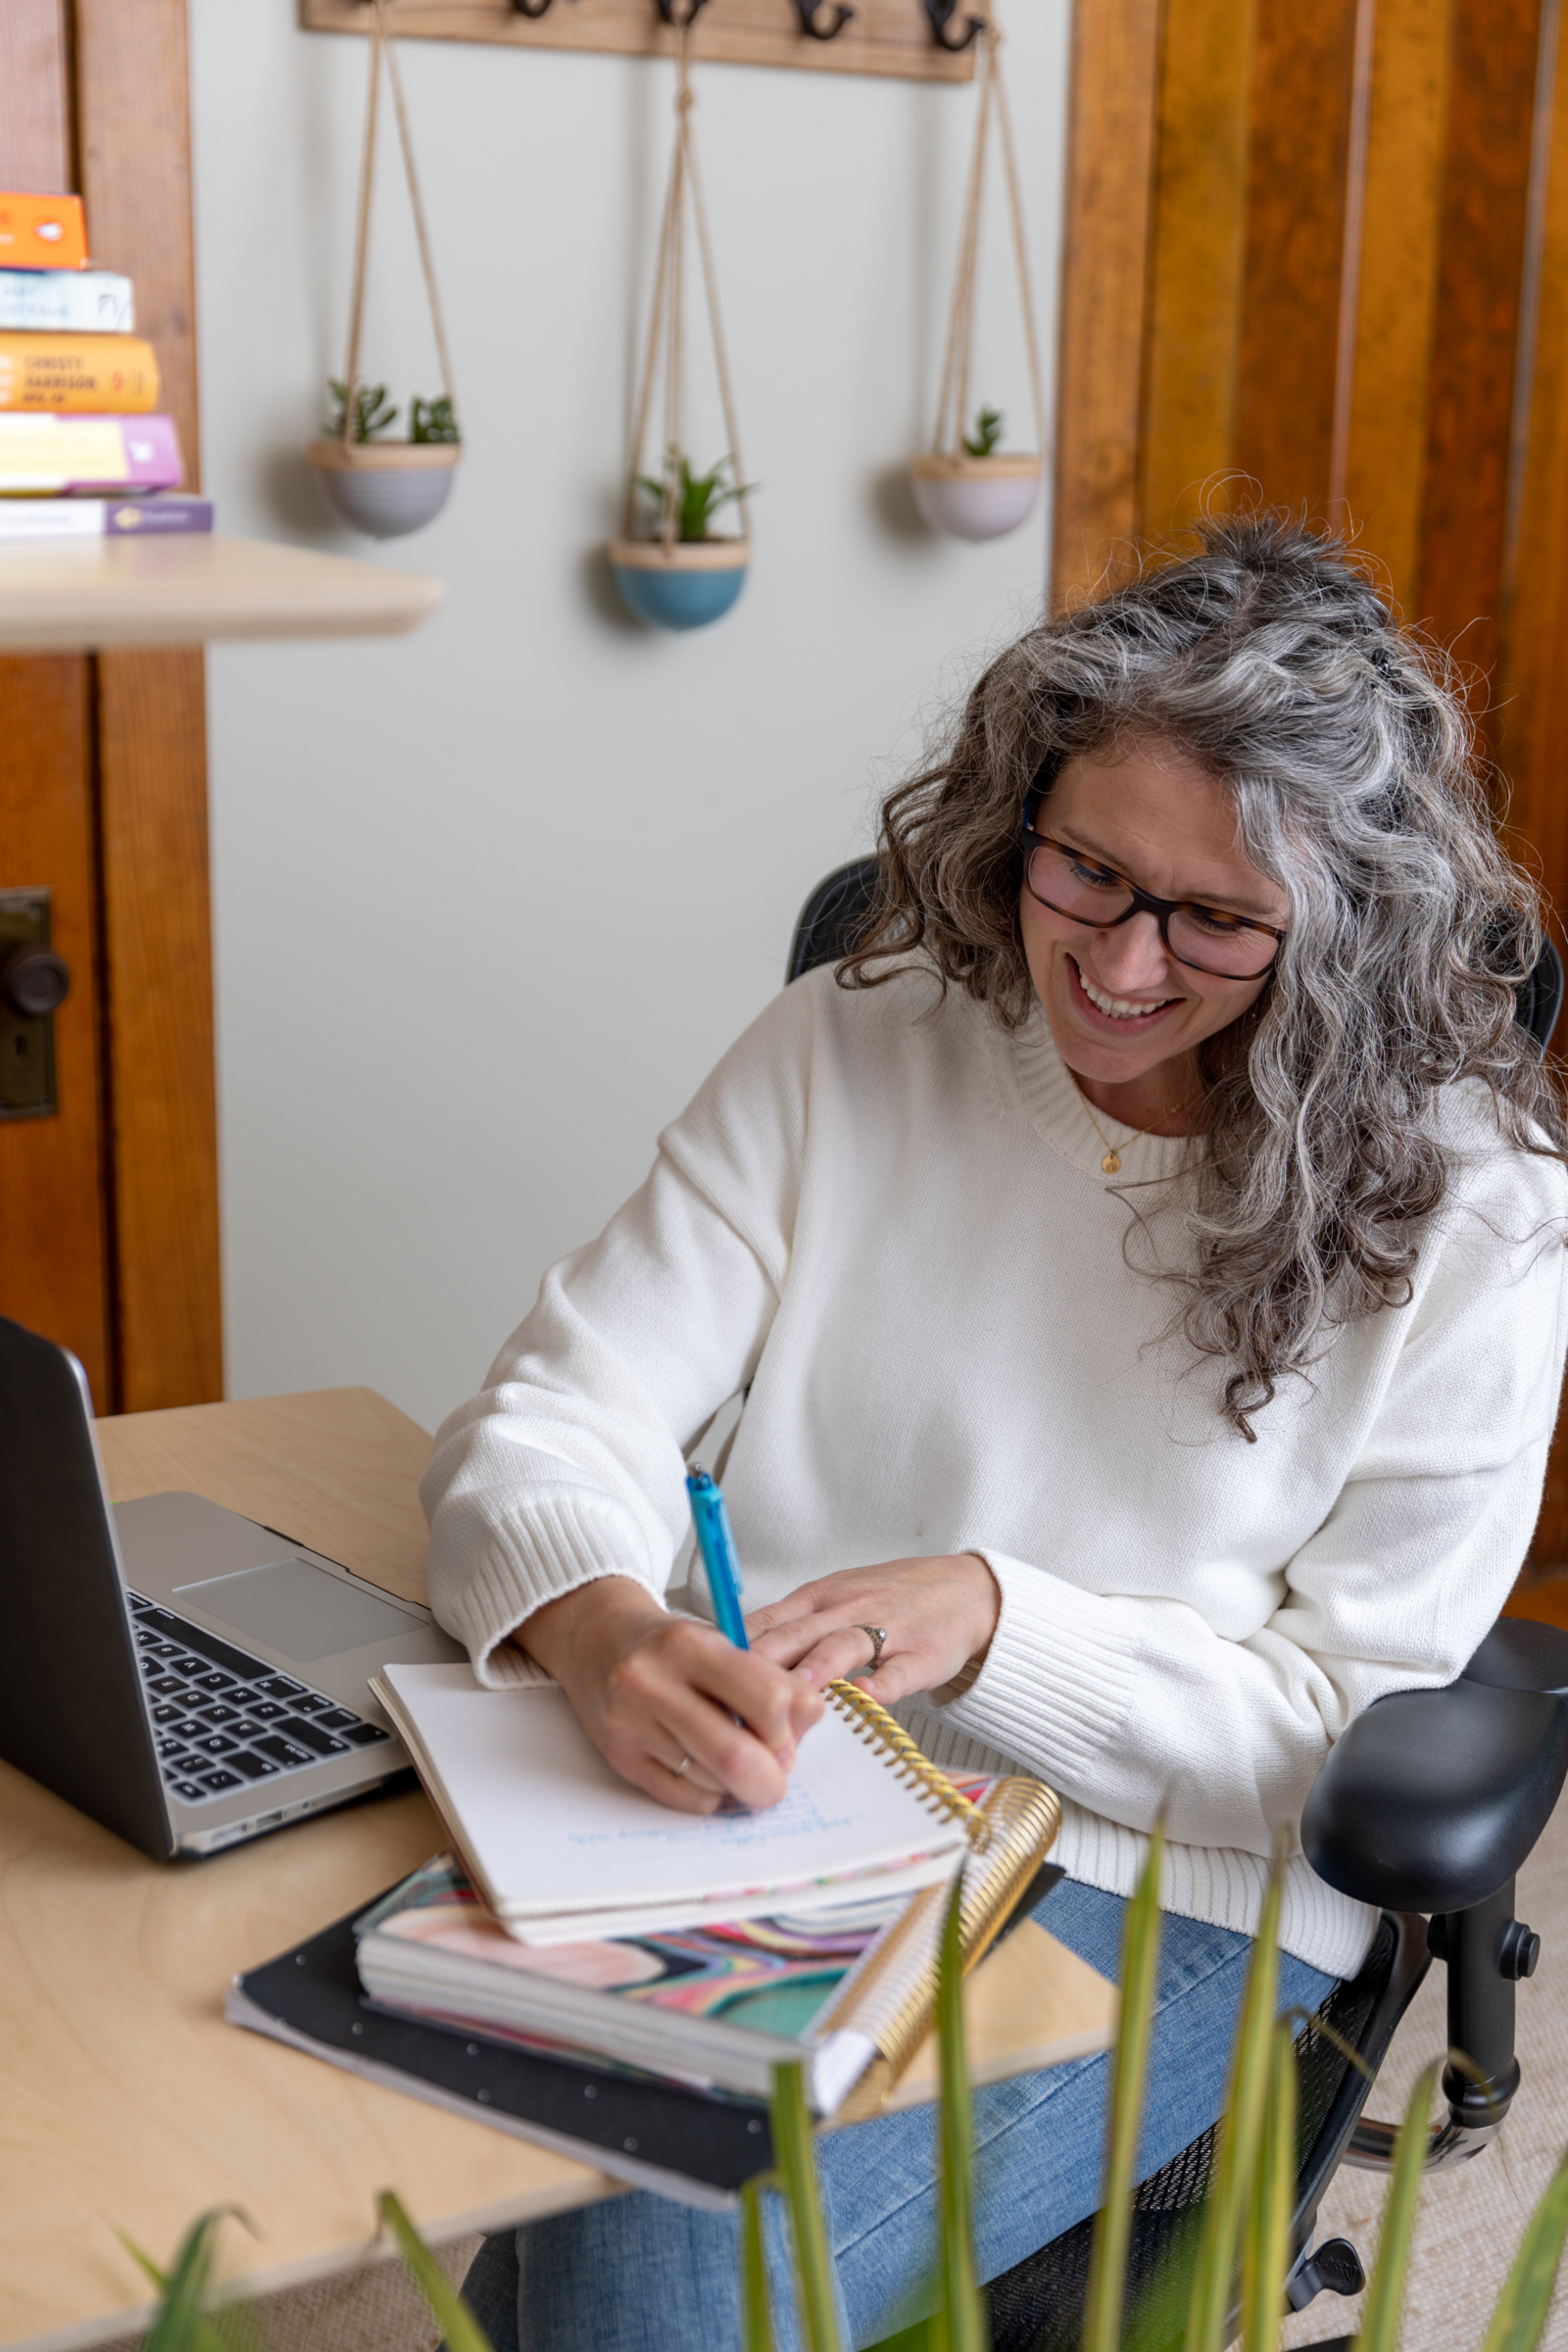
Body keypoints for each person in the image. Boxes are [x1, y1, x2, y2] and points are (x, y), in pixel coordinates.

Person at [423, 515, 1568, 2352]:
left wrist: (992, 1618)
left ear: (1347, 929)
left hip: (1167, 1870)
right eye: (1086, 873)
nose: (1117, 965)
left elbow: (1348, 1742)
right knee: (418, 2099)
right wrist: (604, 1628)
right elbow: (557, 1411)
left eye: (1212, 918)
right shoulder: (853, 1043)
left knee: (654, 2259)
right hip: (775, 1791)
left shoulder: (1477, 1211)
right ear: (1013, 817)